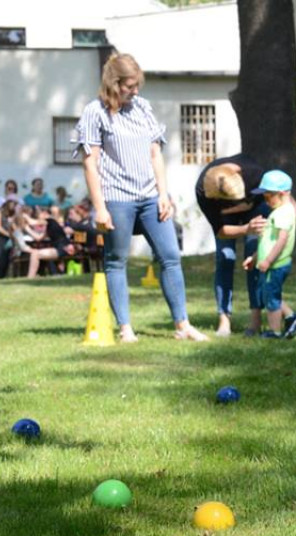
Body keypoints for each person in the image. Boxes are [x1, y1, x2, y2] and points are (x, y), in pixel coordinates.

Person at [74, 53, 207, 342]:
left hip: (150, 196)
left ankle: (182, 326)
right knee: (116, 260)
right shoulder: (94, 113)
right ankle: (125, 329)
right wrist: (99, 208)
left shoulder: (143, 108)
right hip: (116, 197)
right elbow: (90, 163)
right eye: (130, 86)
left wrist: (163, 194)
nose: (136, 91)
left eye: (137, 85)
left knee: (170, 256)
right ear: (114, 83)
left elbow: (155, 153)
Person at [196, 154, 296, 337]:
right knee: (225, 257)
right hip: (226, 221)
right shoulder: (204, 192)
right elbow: (221, 230)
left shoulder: (252, 173)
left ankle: (255, 320)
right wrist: (245, 229)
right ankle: (224, 319)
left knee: (255, 253)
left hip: (256, 207)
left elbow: (283, 191)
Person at [241, 170, 296, 339]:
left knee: (271, 299)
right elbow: (267, 241)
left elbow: (281, 240)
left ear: (282, 194)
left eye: (269, 197)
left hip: (275, 265)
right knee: (270, 293)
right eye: (264, 197)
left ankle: (274, 331)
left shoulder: (283, 213)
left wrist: (268, 261)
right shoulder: (279, 211)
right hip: (270, 264)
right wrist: (254, 257)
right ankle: (291, 317)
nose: (266, 201)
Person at [0, 179, 23, 279]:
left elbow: (21, 224)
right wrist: (10, 235)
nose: (11, 190)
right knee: (1, 258)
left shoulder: (18, 211)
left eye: (13, 188)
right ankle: (0, 277)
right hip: (2, 235)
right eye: (9, 188)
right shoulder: (0, 208)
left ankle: (12, 277)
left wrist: (16, 234)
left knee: (14, 258)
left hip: (14, 235)